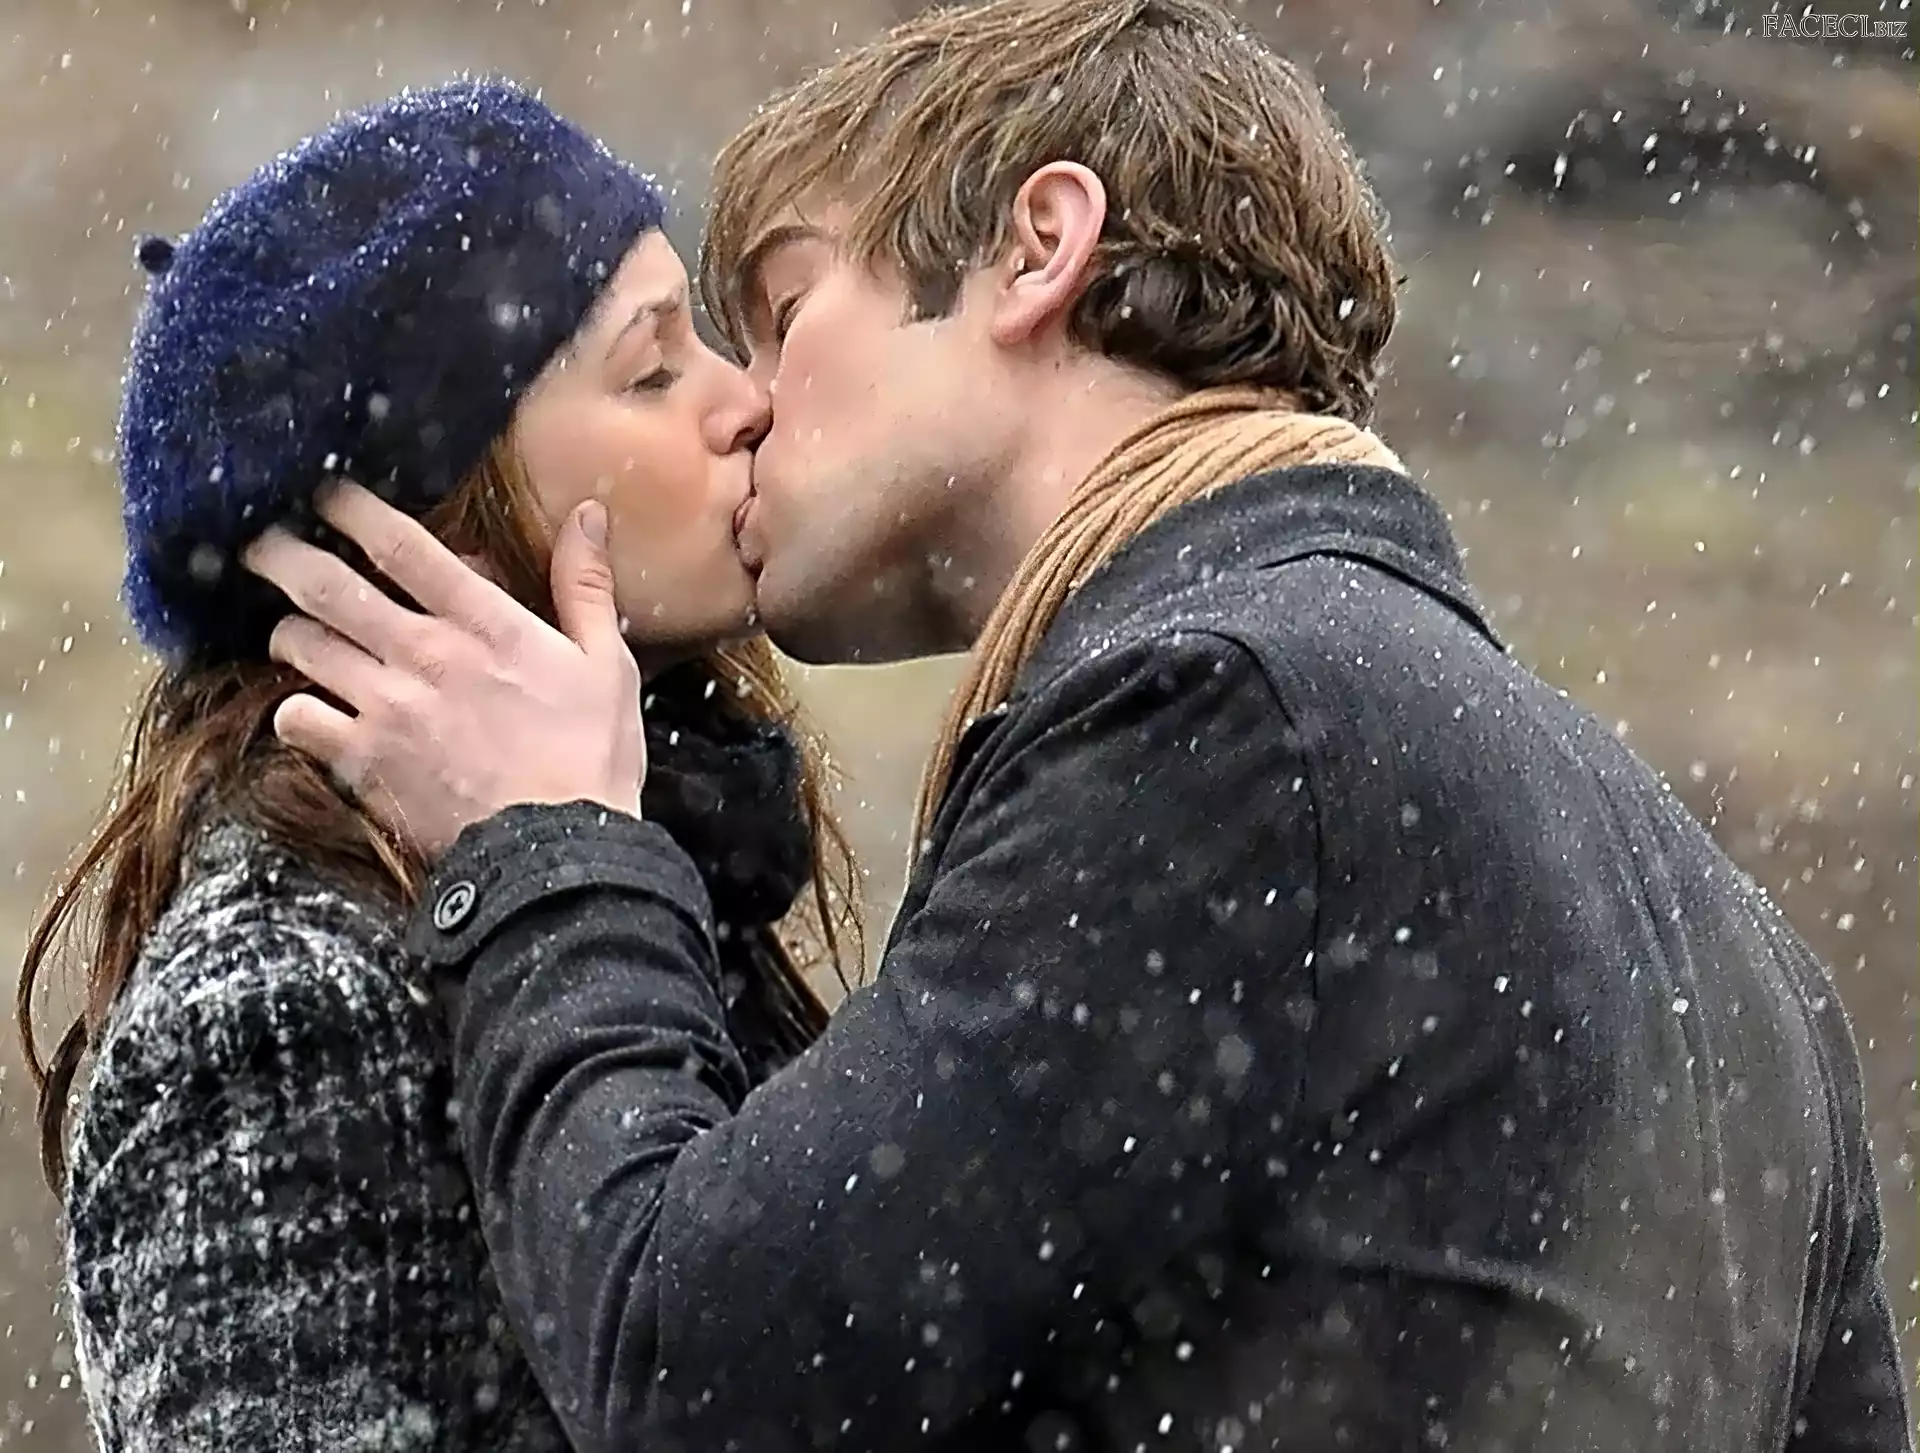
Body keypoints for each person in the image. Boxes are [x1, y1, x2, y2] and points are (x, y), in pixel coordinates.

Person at [247, 2, 1913, 1450]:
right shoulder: (1743, 953)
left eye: (786, 309)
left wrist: (548, 852)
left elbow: (695, 1373)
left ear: (1041, 248)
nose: (747, 405)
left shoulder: (1226, 725)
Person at [15, 78, 858, 1451]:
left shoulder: (665, 854)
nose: (744, 402)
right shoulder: (272, 1014)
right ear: (425, 535)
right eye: (653, 371)